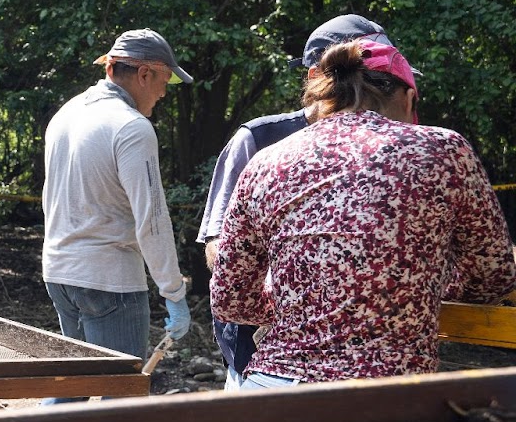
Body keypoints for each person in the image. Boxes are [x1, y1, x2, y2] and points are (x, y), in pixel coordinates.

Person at [211, 40, 516, 386]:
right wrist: (417, 287)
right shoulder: (444, 150)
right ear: (408, 99)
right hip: (386, 395)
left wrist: (302, 304)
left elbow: (230, 298)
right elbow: (493, 277)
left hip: (272, 387)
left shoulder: (266, 161)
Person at [197, 14, 400, 387]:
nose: (380, 89)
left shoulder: (395, 147)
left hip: (363, 357)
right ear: (317, 77)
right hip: (262, 357)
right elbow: (218, 248)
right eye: (367, 76)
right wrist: (296, 288)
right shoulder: (259, 140)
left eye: (386, 78)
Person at [41, 30, 192, 389]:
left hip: (59, 272)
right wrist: (173, 293)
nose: (164, 92)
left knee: (72, 387)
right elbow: (152, 221)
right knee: (122, 395)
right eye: (164, 80)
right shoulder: (132, 127)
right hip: (109, 280)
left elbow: (51, 198)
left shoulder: (67, 113)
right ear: (144, 74)